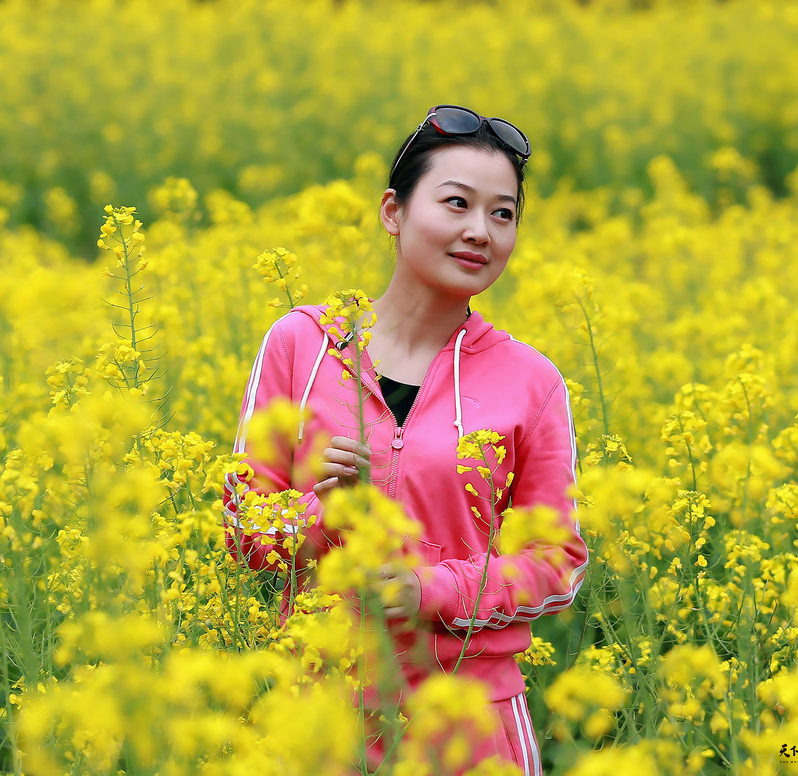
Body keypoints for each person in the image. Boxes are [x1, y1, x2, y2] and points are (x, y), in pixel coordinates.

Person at [222, 105, 588, 776]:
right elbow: (243, 529)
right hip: (319, 718)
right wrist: (319, 510)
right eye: (457, 204)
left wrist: (432, 590)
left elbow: (556, 562)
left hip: (468, 728)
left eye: (503, 214)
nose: (481, 231)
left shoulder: (531, 382)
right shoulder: (301, 344)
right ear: (394, 210)